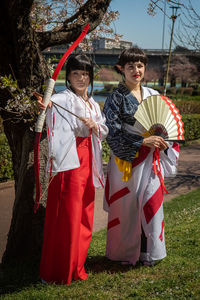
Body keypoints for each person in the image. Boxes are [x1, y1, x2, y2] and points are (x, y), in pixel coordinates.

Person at [34, 54, 108, 284]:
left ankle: (77, 266)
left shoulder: (93, 103)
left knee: (85, 213)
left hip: (89, 161)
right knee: (68, 215)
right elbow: (52, 106)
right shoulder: (64, 98)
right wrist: (46, 104)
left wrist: (95, 125)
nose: (81, 78)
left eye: (85, 73)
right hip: (70, 162)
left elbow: (104, 130)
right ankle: (58, 271)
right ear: (68, 76)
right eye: (76, 73)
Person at [103, 47, 179, 266]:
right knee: (126, 207)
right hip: (126, 161)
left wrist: (163, 141)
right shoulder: (115, 98)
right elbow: (112, 132)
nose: (136, 70)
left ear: (144, 68)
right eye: (130, 66)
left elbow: (165, 126)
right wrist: (141, 141)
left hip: (150, 158)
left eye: (139, 66)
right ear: (121, 69)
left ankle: (150, 252)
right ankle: (123, 253)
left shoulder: (153, 95)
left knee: (151, 202)